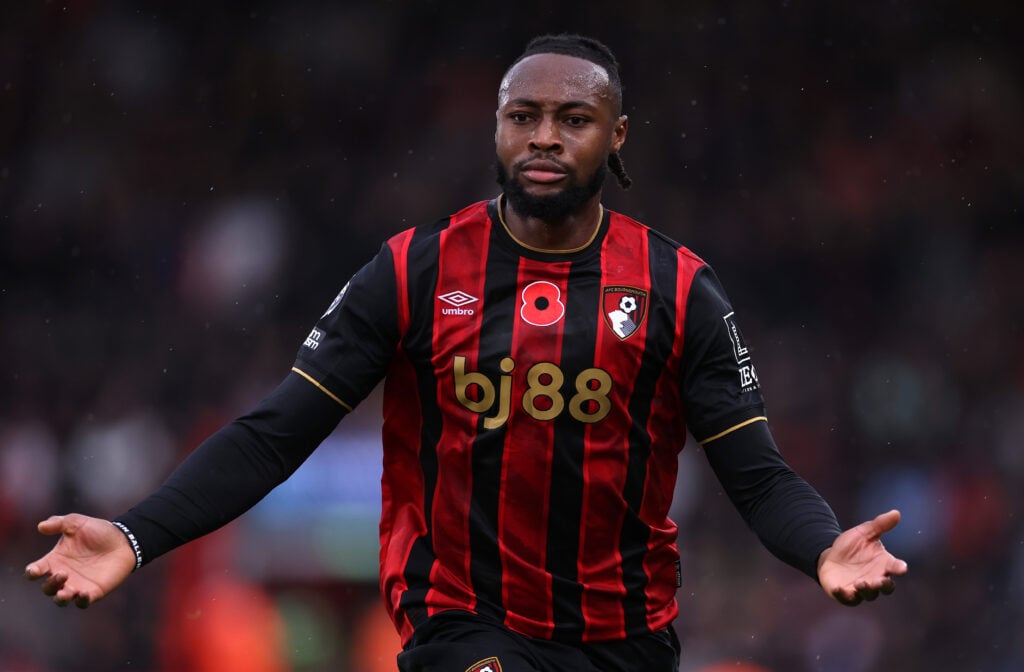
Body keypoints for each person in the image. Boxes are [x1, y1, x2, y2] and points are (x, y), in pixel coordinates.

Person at [25, 34, 908, 672]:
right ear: (496, 128)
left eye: (573, 118)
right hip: (465, 626)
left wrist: (823, 548)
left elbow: (754, 473)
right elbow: (274, 432)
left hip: (628, 639)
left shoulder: (679, 288)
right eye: (524, 116)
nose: (545, 138)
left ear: (618, 136)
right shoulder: (411, 270)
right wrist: (137, 536)